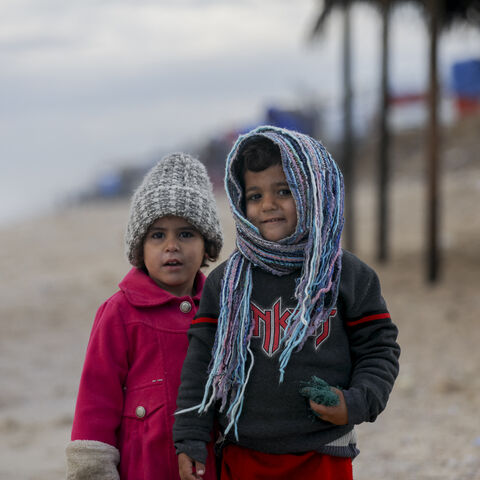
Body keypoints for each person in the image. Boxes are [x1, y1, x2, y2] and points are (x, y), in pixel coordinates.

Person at [173, 126, 400, 480]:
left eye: (284, 190)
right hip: (243, 449)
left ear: (313, 192)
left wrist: (354, 402)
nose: (267, 205)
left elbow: (379, 349)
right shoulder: (226, 283)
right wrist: (190, 438)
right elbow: (200, 363)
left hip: (322, 451)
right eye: (254, 195)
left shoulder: (347, 275)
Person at [65, 153, 223, 480]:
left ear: (207, 245)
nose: (171, 246)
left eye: (186, 234)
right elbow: (95, 404)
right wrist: (92, 471)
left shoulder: (222, 309)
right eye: (157, 235)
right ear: (139, 248)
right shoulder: (120, 314)